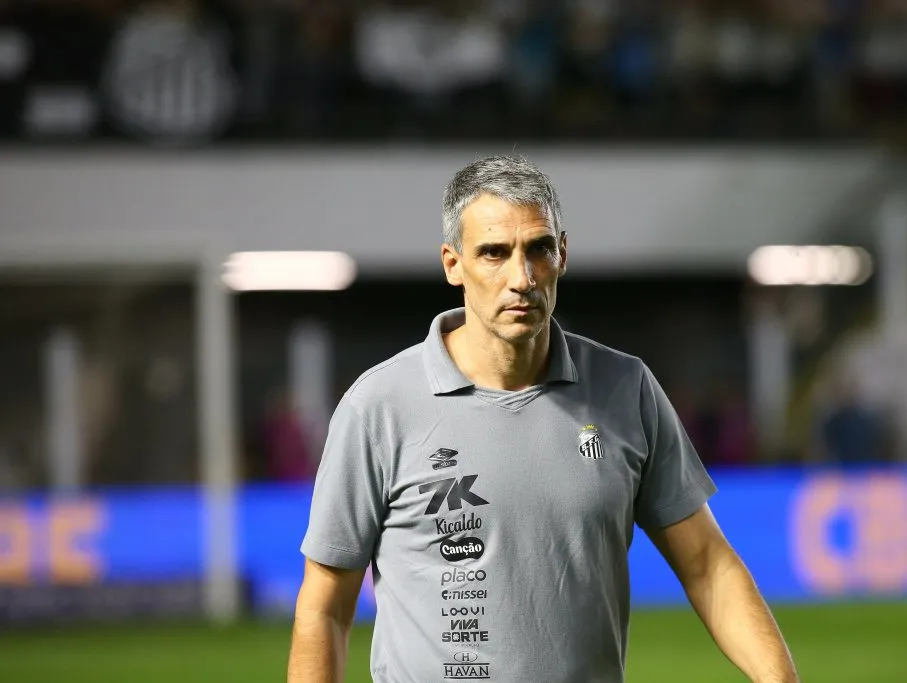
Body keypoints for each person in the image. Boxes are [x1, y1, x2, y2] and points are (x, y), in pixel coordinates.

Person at [287, 155, 799, 683]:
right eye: (493, 253)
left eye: (538, 249)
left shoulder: (626, 388)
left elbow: (708, 567)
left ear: (563, 254)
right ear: (452, 264)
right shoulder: (379, 406)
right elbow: (324, 607)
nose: (522, 278)